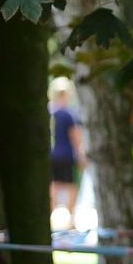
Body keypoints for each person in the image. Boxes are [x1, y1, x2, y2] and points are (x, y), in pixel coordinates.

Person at [48, 80, 83, 219]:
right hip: (67, 155)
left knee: (54, 186)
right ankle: (70, 218)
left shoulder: (49, 112)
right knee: (71, 186)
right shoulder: (69, 114)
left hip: (51, 154)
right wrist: (81, 156)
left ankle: (49, 218)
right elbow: (75, 136)